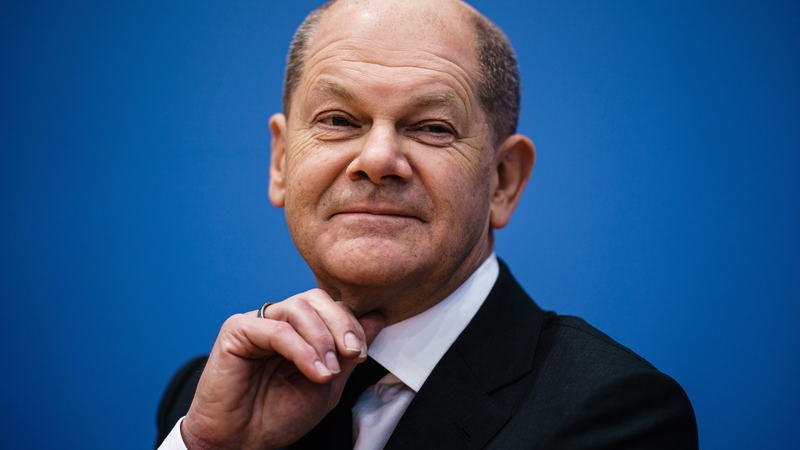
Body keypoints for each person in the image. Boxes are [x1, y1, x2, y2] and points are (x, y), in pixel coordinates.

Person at [155, 0, 698, 448]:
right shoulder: (211, 402)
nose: (377, 159)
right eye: (338, 120)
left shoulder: (613, 411)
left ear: (503, 180)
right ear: (280, 161)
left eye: (433, 127)